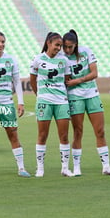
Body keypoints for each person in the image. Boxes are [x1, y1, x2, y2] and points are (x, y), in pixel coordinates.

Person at [63, 29, 110, 176]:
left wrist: (79, 80)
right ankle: (76, 167)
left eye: (71, 47)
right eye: (65, 47)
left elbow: (95, 73)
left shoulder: (86, 52)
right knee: (78, 131)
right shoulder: (62, 57)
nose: (68, 50)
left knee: (100, 131)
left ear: (76, 44)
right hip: (75, 96)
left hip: (92, 94)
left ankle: (106, 166)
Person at [0, 31, 31, 178]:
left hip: (7, 103)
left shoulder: (11, 60)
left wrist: (20, 102)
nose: (1, 44)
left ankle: (21, 168)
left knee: (13, 134)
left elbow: (16, 81)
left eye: (3, 42)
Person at [30, 32, 74, 177]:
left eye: (60, 46)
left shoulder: (64, 61)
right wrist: (41, 95)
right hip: (44, 101)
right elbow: (32, 80)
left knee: (64, 135)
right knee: (42, 135)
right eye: (56, 45)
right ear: (48, 43)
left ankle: (65, 168)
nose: (58, 48)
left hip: (61, 101)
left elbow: (66, 80)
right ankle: (40, 168)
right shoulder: (38, 59)